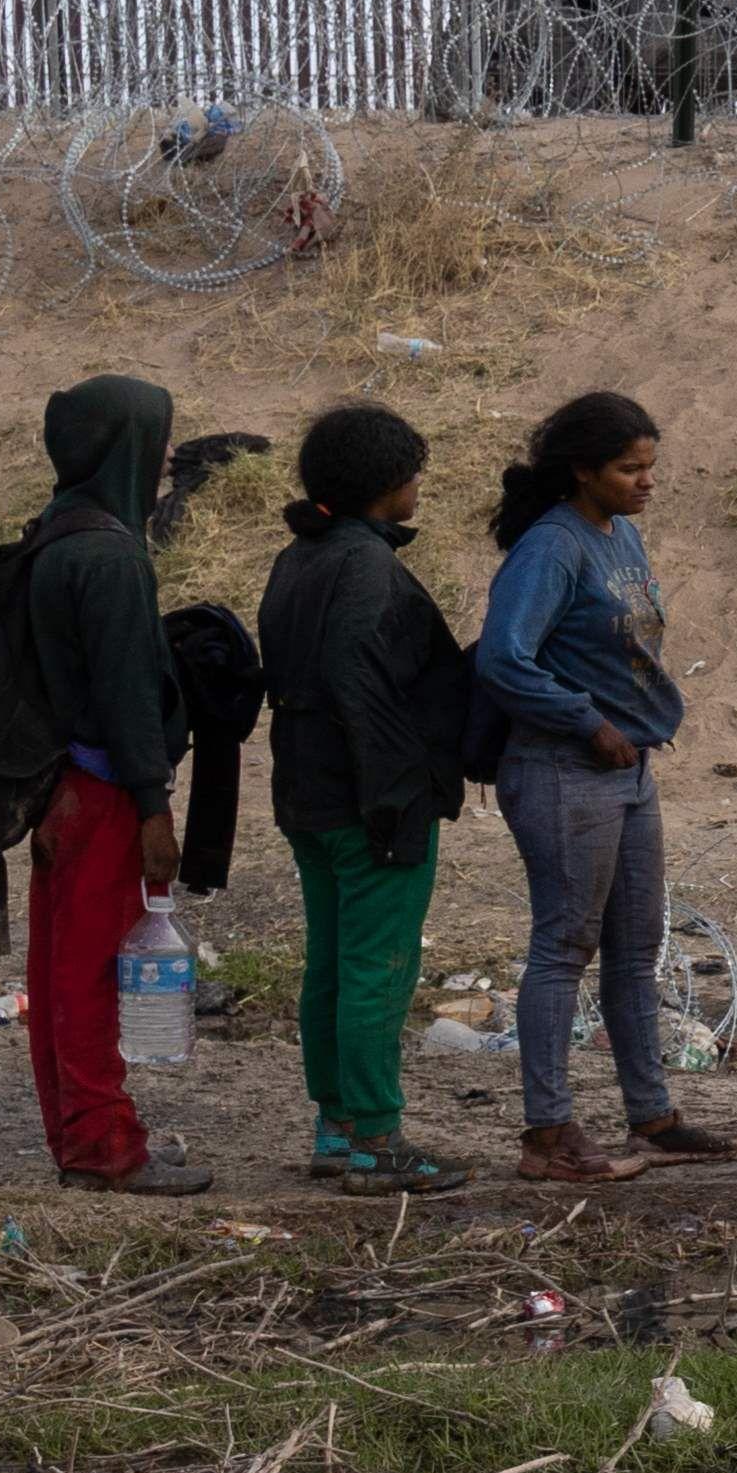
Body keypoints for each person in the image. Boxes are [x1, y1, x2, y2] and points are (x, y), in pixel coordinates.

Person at [470, 387, 736, 1185]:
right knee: (563, 947)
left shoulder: (617, 536)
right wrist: (587, 722)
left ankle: (651, 1118)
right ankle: (546, 1135)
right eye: (629, 470)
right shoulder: (553, 547)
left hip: (626, 769)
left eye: (650, 467)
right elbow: (503, 658)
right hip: (564, 769)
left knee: (634, 946)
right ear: (582, 471)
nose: (646, 483)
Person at [258, 400, 472, 1199]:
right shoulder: (367, 569)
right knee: (378, 968)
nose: (419, 485)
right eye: (413, 473)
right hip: (368, 802)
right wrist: (396, 802)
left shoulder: (297, 559)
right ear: (388, 485)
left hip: (306, 795)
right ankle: (377, 1139)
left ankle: (336, 1129)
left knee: (333, 965)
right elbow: (364, 692)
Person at [13, 372, 197, 1193]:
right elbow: (126, 701)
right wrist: (155, 811)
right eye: (155, 444)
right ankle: (107, 1149)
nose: (164, 462)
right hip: (104, 793)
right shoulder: (113, 557)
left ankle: (80, 1138)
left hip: (56, 792)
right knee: (92, 977)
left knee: (59, 973)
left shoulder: (53, 535)